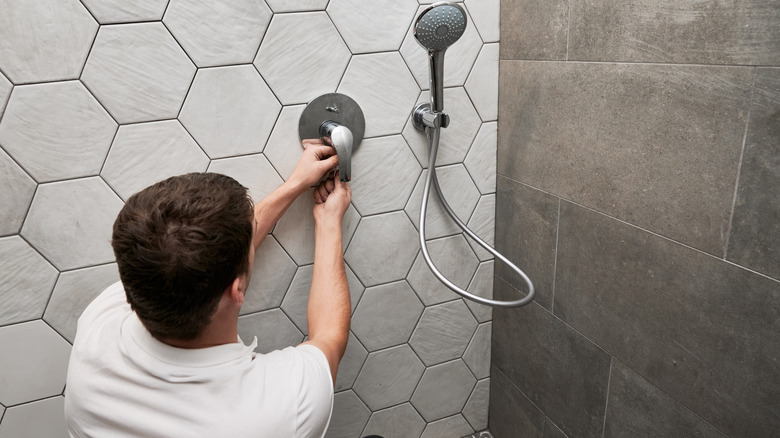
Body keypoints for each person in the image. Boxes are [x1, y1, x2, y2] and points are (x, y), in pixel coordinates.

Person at [64, 140, 352, 438]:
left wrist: (294, 185)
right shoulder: (278, 410)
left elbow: (199, 258)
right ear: (236, 289)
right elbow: (330, 337)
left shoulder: (99, 325)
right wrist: (329, 221)